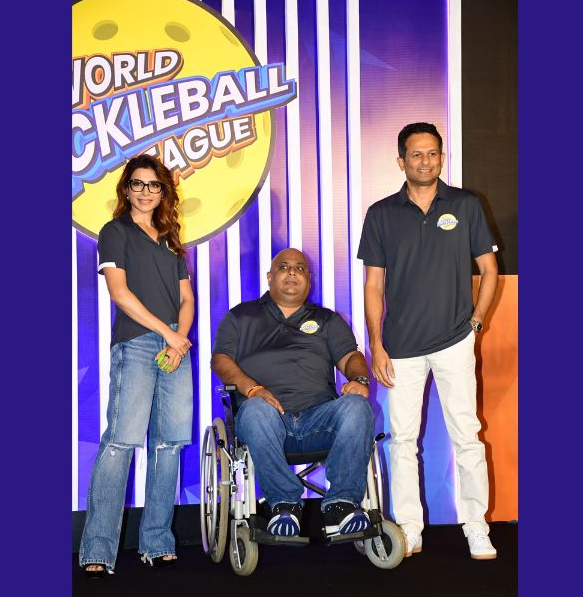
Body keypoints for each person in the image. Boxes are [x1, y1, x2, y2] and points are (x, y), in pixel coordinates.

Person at [357, 122, 500, 560]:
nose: (426, 161)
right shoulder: (381, 213)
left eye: (433, 153)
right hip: (399, 347)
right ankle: (410, 529)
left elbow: (489, 269)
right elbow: (373, 285)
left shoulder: (466, 204)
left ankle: (476, 527)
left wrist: (476, 323)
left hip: (455, 340)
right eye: (417, 154)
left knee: (468, 436)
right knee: (402, 440)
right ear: (401, 161)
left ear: (442, 157)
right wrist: (376, 345)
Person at [79, 154, 195, 576]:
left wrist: (179, 341)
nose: (146, 192)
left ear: (164, 191)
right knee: (121, 442)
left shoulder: (170, 238)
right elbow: (120, 294)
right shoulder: (115, 232)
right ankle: (97, 549)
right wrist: (168, 335)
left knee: (169, 445)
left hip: (175, 346)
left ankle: (157, 542)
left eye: (154, 185)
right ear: (126, 189)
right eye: (138, 184)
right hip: (137, 343)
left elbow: (187, 298)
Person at [211, 248, 375, 537]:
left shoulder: (327, 320)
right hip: (265, 421)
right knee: (256, 409)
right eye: (284, 267)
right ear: (269, 276)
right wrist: (253, 389)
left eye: (300, 268)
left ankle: (341, 505)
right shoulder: (241, 316)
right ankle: (284, 504)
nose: (292, 272)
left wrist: (359, 379)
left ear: (309, 280)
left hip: (318, 419)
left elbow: (351, 356)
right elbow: (221, 360)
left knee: (357, 406)